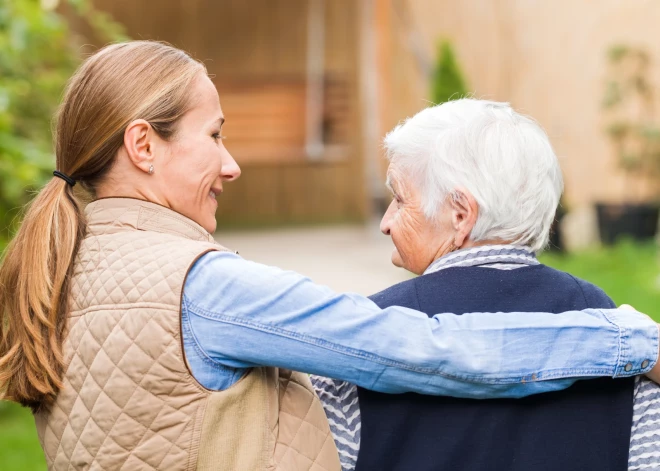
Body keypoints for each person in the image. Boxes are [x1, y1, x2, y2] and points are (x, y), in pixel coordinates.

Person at [0, 42, 657, 471]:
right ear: (143, 145)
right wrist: (629, 339)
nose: (230, 164)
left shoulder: (66, 271)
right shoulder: (201, 289)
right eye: (214, 134)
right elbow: (423, 348)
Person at [311, 99, 660, 471]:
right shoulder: (619, 332)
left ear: (461, 214)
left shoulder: (365, 334)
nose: (385, 222)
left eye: (399, 199)